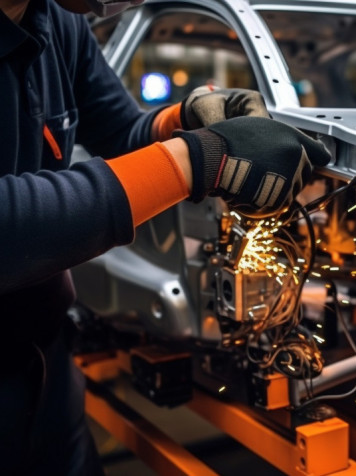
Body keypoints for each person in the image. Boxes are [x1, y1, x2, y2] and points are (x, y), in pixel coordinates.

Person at [0, 0, 332, 473]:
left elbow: (118, 128)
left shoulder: (58, 21)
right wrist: (195, 161)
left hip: (47, 367)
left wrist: (184, 118)